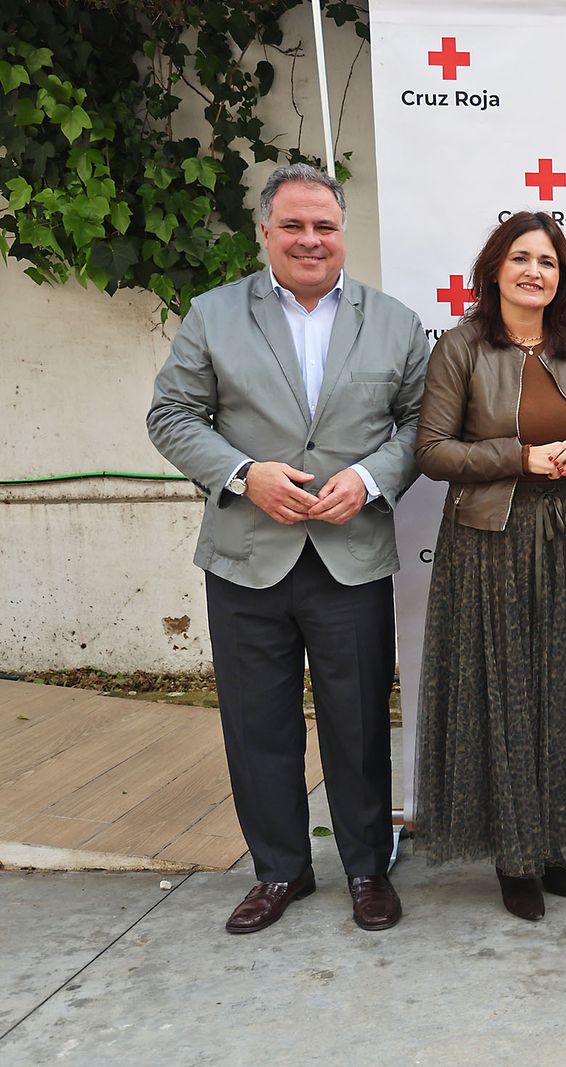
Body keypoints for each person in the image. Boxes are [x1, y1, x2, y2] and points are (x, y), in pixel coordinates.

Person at [147, 163, 429, 933]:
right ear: (264, 232)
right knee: (257, 722)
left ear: (344, 234)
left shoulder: (396, 322)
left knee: (361, 721)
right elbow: (172, 416)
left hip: (351, 553)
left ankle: (369, 866)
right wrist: (242, 473)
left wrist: (371, 479)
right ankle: (280, 871)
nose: (311, 239)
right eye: (295, 226)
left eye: (325, 226)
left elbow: (419, 426)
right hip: (247, 555)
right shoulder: (212, 315)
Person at [412, 212, 566, 922]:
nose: (534, 272)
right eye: (521, 258)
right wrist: (520, 457)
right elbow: (432, 451)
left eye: (547, 261)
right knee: (505, 692)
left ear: (561, 277)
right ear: (494, 269)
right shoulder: (460, 347)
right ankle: (513, 857)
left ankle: (553, 843)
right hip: (490, 543)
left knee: (562, 689)